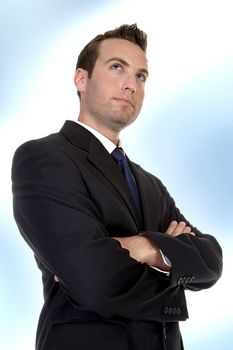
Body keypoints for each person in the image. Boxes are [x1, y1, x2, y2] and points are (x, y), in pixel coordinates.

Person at [12, 24, 222, 350]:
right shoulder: (44, 159)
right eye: (116, 68)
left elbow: (211, 262)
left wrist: (143, 247)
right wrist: (170, 254)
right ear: (81, 79)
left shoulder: (151, 185)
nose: (131, 84)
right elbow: (93, 280)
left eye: (141, 76)